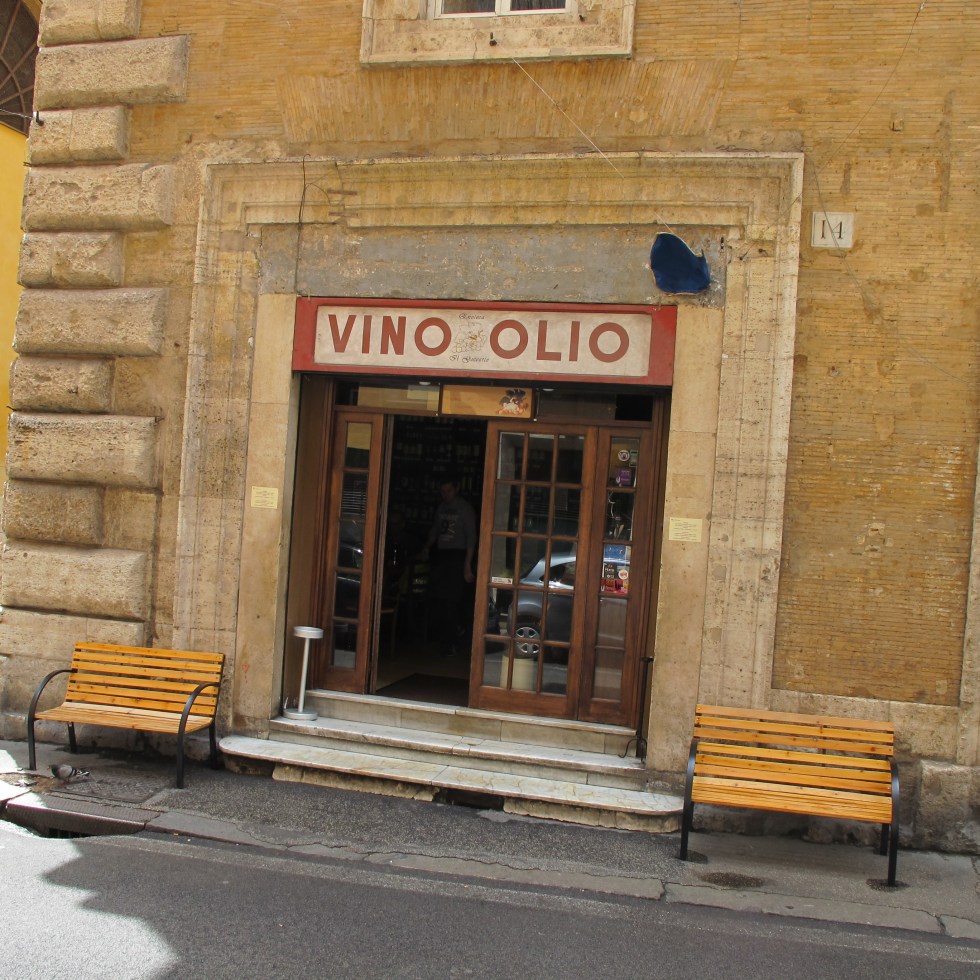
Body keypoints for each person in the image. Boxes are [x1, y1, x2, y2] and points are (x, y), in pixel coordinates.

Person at [421, 477, 477, 656]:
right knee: (438, 599)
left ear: (457, 489)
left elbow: (471, 537)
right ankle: (442, 639)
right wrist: (427, 547)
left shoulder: (465, 509)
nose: (445, 495)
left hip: (457, 556)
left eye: (449, 491)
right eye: (443, 492)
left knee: (452, 601)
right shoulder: (441, 508)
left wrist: (467, 564)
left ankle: (452, 642)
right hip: (442, 555)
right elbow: (436, 530)